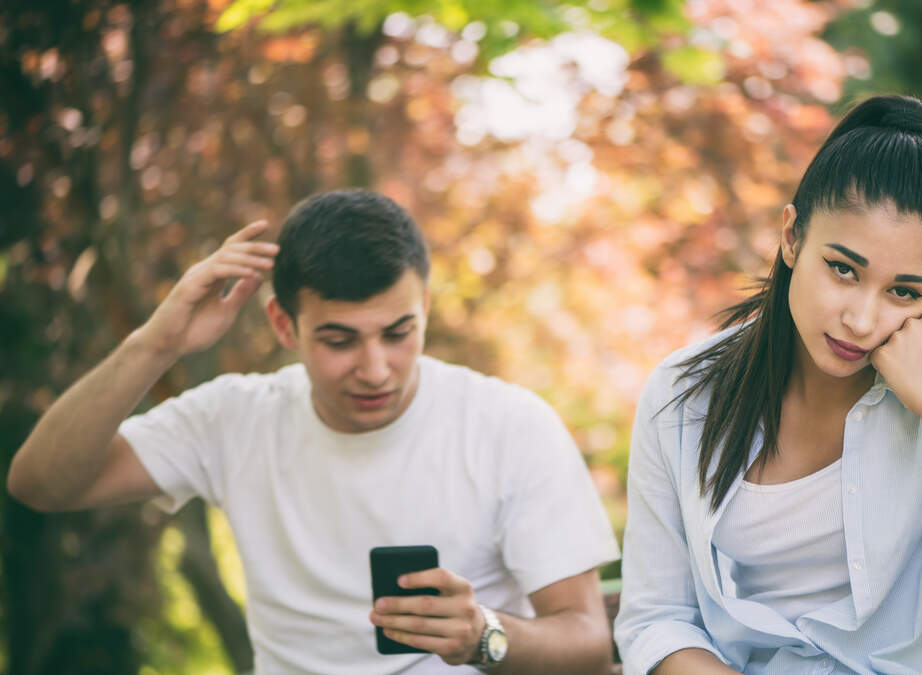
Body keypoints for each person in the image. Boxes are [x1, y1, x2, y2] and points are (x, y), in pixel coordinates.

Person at [8, 189, 621, 674]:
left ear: (426, 308)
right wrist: (156, 343)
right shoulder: (234, 419)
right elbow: (40, 484)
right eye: (339, 340)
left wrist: (484, 634)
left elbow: (589, 640)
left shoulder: (509, 425)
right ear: (284, 324)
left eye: (398, 333)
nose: (375, 369)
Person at [613, 95, 922, 674]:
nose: (861, 319)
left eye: (903, 292)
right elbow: (656, 618)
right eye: (843, 269)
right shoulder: (685, 397)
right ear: (792, 237)